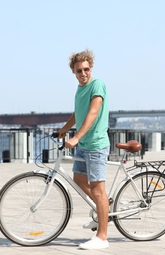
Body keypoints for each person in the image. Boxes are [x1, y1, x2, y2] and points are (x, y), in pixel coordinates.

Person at [57, 49, 110, 250]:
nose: (83, 73)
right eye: (79, 70)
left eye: (86, 69)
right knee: (79, 180)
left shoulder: (97, 85)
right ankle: (103, 208)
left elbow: (93, 112)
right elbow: (78, 112)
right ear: (73, 71)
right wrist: (65, 129)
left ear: (91, 68)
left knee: (98, 190)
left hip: (95, 144)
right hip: (83, 145)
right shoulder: (80, 88)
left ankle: (102, 237)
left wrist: (76, 137)